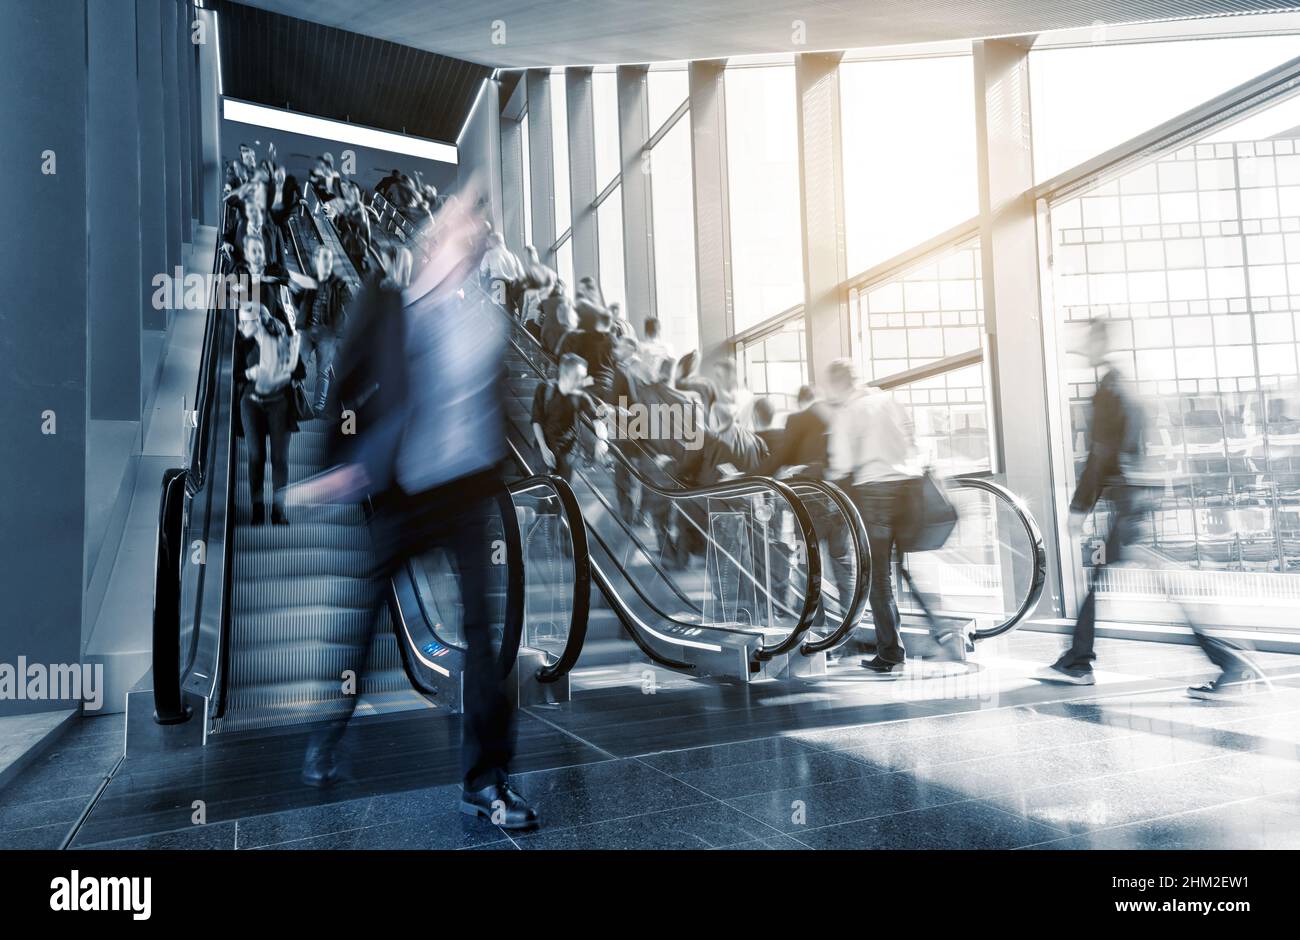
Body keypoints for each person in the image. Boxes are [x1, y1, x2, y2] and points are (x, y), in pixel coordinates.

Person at [299, 191, 539, 828]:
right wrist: (332, 466)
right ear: (435, 235)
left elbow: (500, 403)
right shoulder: (389, 299)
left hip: (466, 495)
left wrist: (528, 470)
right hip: (403, 493)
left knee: (487, 634)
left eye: (475, 223)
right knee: (367, 615)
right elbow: (347, 378)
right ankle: (329, 728)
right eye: (457, 217)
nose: (467, 227)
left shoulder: (485, 316)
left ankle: (486, 781)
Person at [1037, 319, 1262, 697]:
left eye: (1085, 339)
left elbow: (1101, 454)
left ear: (1099, 342)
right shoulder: (1127, 386)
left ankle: (1232, 663)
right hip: (1137, 496)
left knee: (1154, 583)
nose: (1079, 347)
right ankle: (1078, 660)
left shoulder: (1109, 391)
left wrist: (1079, 507)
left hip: (1128, 500)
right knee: (1120, 582)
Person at [825, 358, 964, 671]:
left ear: (838, 383)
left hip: (874, 494)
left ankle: (890, 651)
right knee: (902, 567)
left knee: (879, 577)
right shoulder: (890, 401)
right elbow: (913, 442)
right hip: (907, 488)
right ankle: (943, 630)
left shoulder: (848, 412)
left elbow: (842, 463)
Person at [237, 297, 304, 526]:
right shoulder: (242, 344)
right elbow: (234, 374)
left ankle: (278, 510)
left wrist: (285, 369)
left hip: (279, 404)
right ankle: (257, 508)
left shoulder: (283, 341)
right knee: (256, 457)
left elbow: (300, 372)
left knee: (279, 459)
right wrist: (251, 374)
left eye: (246, 322)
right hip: (252, 403)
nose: (241, 327)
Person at [531, 352, 609, 483]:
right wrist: (544, 449)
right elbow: (536, 421)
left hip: (567, 453)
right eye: (577, 377)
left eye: (582, 377)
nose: (581, 382)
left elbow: (598, 420)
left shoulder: (581, 397)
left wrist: (602, 439)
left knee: (563, 494)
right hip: (543, 449)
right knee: (543, 493)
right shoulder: (544, 388)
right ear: (564, 374)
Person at [290, 244, 349, 414]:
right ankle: (297, 403)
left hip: (328, 335)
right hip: (308, 331)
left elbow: (351, 304)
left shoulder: (339, 284)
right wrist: (295, 293)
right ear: (316, 260)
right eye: (324, 258)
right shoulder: (310, 280)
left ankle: (318, 407)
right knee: (299, 367)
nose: (327, 263)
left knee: (323, 372)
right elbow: (300, 304)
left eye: (329, 259)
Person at [558, 307, 618, 403]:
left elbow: (574, 361)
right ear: (609, 323)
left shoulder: (583, 338)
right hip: (609, 385)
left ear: (596, 321)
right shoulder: (614, 341)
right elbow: (617, 365)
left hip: (590, 384)